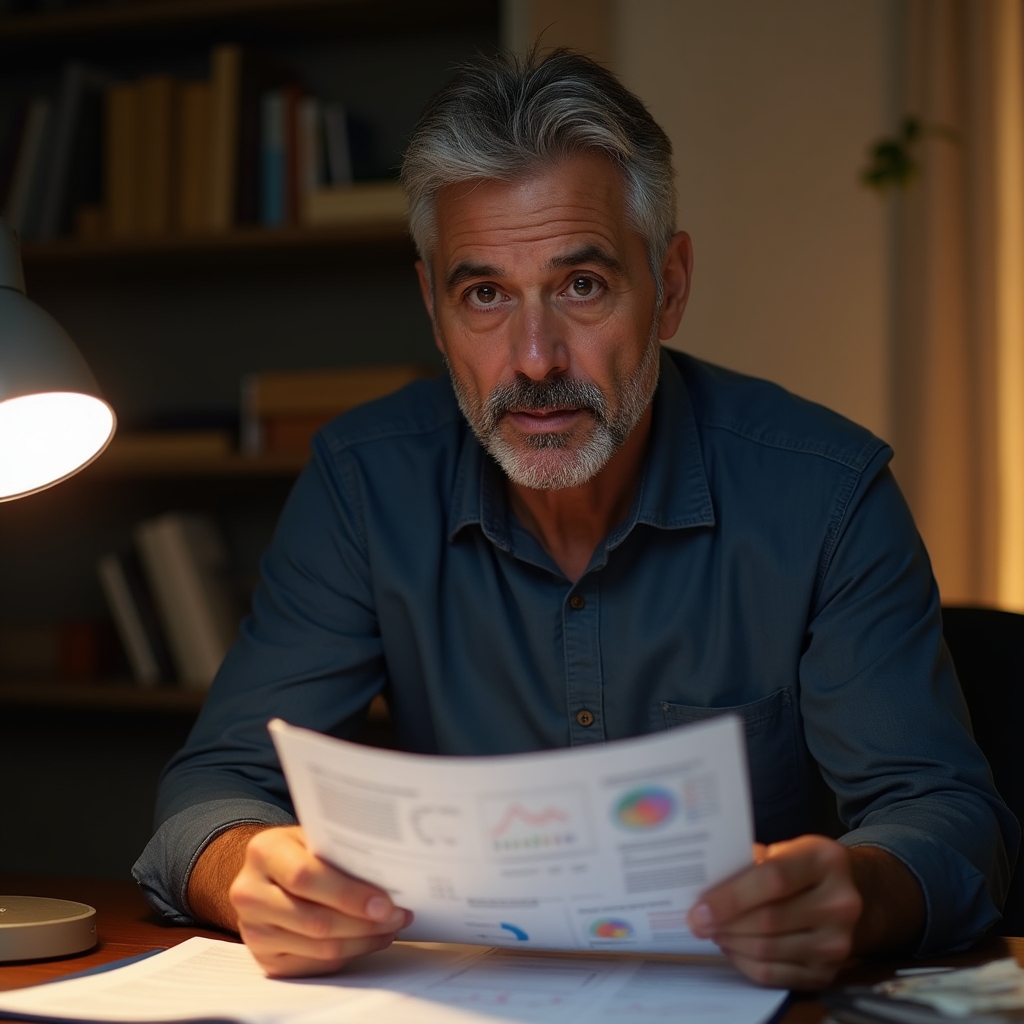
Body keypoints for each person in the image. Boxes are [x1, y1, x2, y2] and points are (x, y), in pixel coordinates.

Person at [133, 49, 1018, 990]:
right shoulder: (363, 484)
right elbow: (210, 792)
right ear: (433, 311)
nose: (535, 358)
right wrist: (249, 870)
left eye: (582, 286)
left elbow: (949, 818)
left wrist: (858, 890)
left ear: (669, 286)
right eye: (484, 295)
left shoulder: (828, 495)